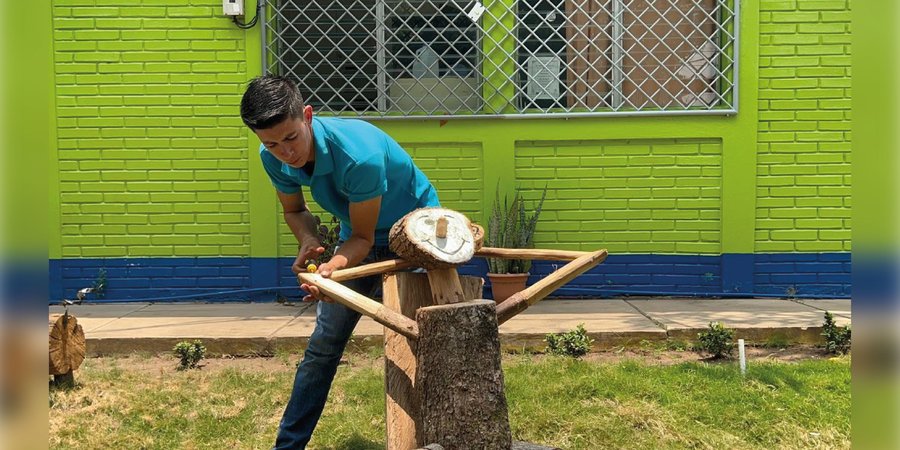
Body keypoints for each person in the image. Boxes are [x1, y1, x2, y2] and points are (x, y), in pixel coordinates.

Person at [240, 75, 440, 449]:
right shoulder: (272, 157)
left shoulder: (358, 156)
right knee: (323, 347)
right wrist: (310, 240)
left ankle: (436, 440)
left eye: (291, 138)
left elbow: (364, 239)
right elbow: (296, 210)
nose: (285, 152)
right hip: (357, 238)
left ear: (308, 116)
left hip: (415, 236)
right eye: (271, 143)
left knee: (421, 344)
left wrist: (333, 270)